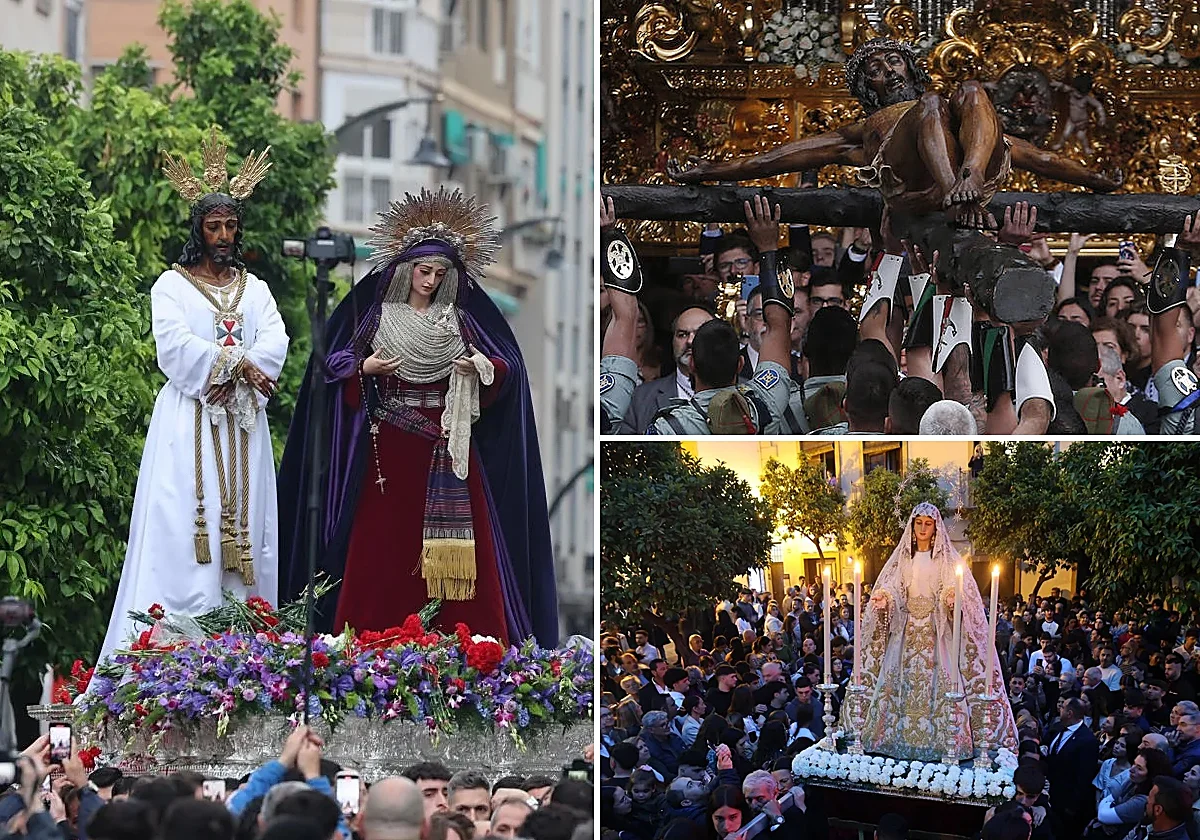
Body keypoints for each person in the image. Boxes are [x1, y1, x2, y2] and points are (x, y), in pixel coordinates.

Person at [277, 187, 557, 644]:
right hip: (389, 449)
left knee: (467, 556)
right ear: (406, 270)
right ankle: (372, 638)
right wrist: (364, 368)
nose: (429, 281)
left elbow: (507, 366)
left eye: (439, 274)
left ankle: (468, 642)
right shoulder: (378, 315)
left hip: (448, 446)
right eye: (424, 271)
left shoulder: (459, 320)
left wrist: (481, 367)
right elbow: (333, 363)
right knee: (382, 545)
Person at [100, 128, 287, 663]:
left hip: (243, 425)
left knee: (246, 533)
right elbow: (173, 346)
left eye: (230, 225)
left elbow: (275, 338)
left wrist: (246, 367)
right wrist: (235, 363)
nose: (223, 235)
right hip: (190, 421)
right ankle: (169, 652)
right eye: (214, 226)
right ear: (198, 230)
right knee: (181, 527)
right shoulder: (172, 286)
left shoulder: (256, 289)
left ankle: (241, 657)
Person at [858, 503, 1018, 760]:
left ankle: (947, 741)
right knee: (895, 684)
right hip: (907, 632)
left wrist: (951, 596)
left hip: (935, 632)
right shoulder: (904, 559)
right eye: (918, 523)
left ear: (935, 528)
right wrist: (884, 597)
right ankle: (890, 737)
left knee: (943, 682)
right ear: (912, 526)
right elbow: (895, 587)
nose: (923, 528)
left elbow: (950, 584)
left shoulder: (945, 560)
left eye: (928, 523)